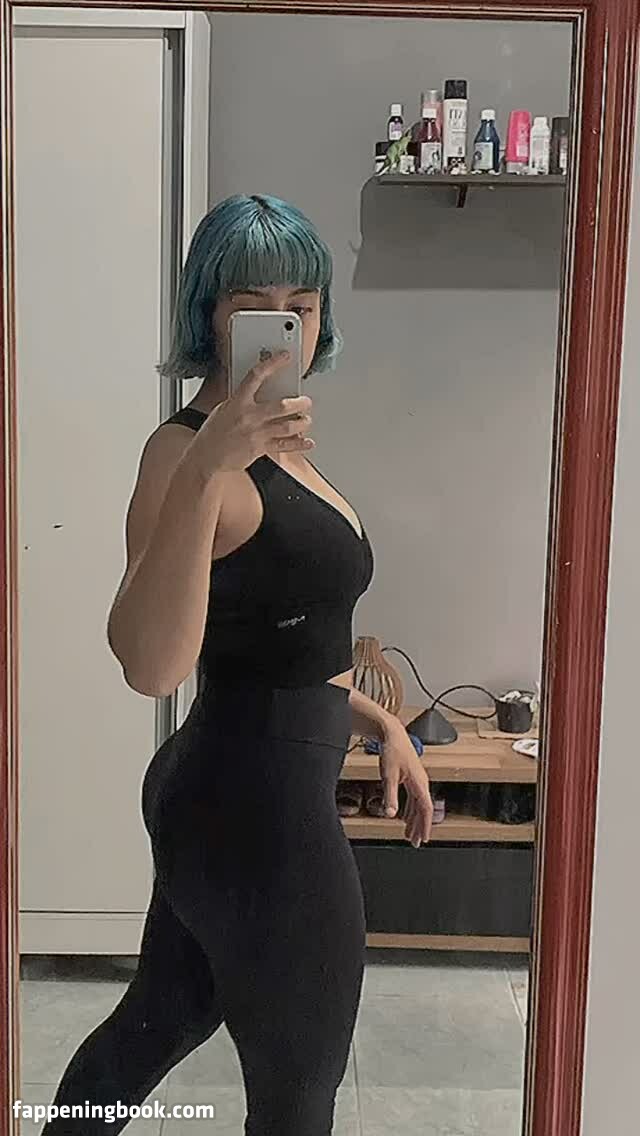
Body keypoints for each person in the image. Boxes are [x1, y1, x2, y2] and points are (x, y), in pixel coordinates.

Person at [41, 194, 433, 1136]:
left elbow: (279, 644)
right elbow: (149, 662)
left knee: (150, 1027)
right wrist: (206, 468)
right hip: (258, 813)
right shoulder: (182, 453)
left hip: (235, 785)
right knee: (298, 1097)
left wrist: (380, 721)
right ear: (209, 314)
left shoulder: (286, 443)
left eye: (304, 303)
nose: (285, 323)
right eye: (255, 305)